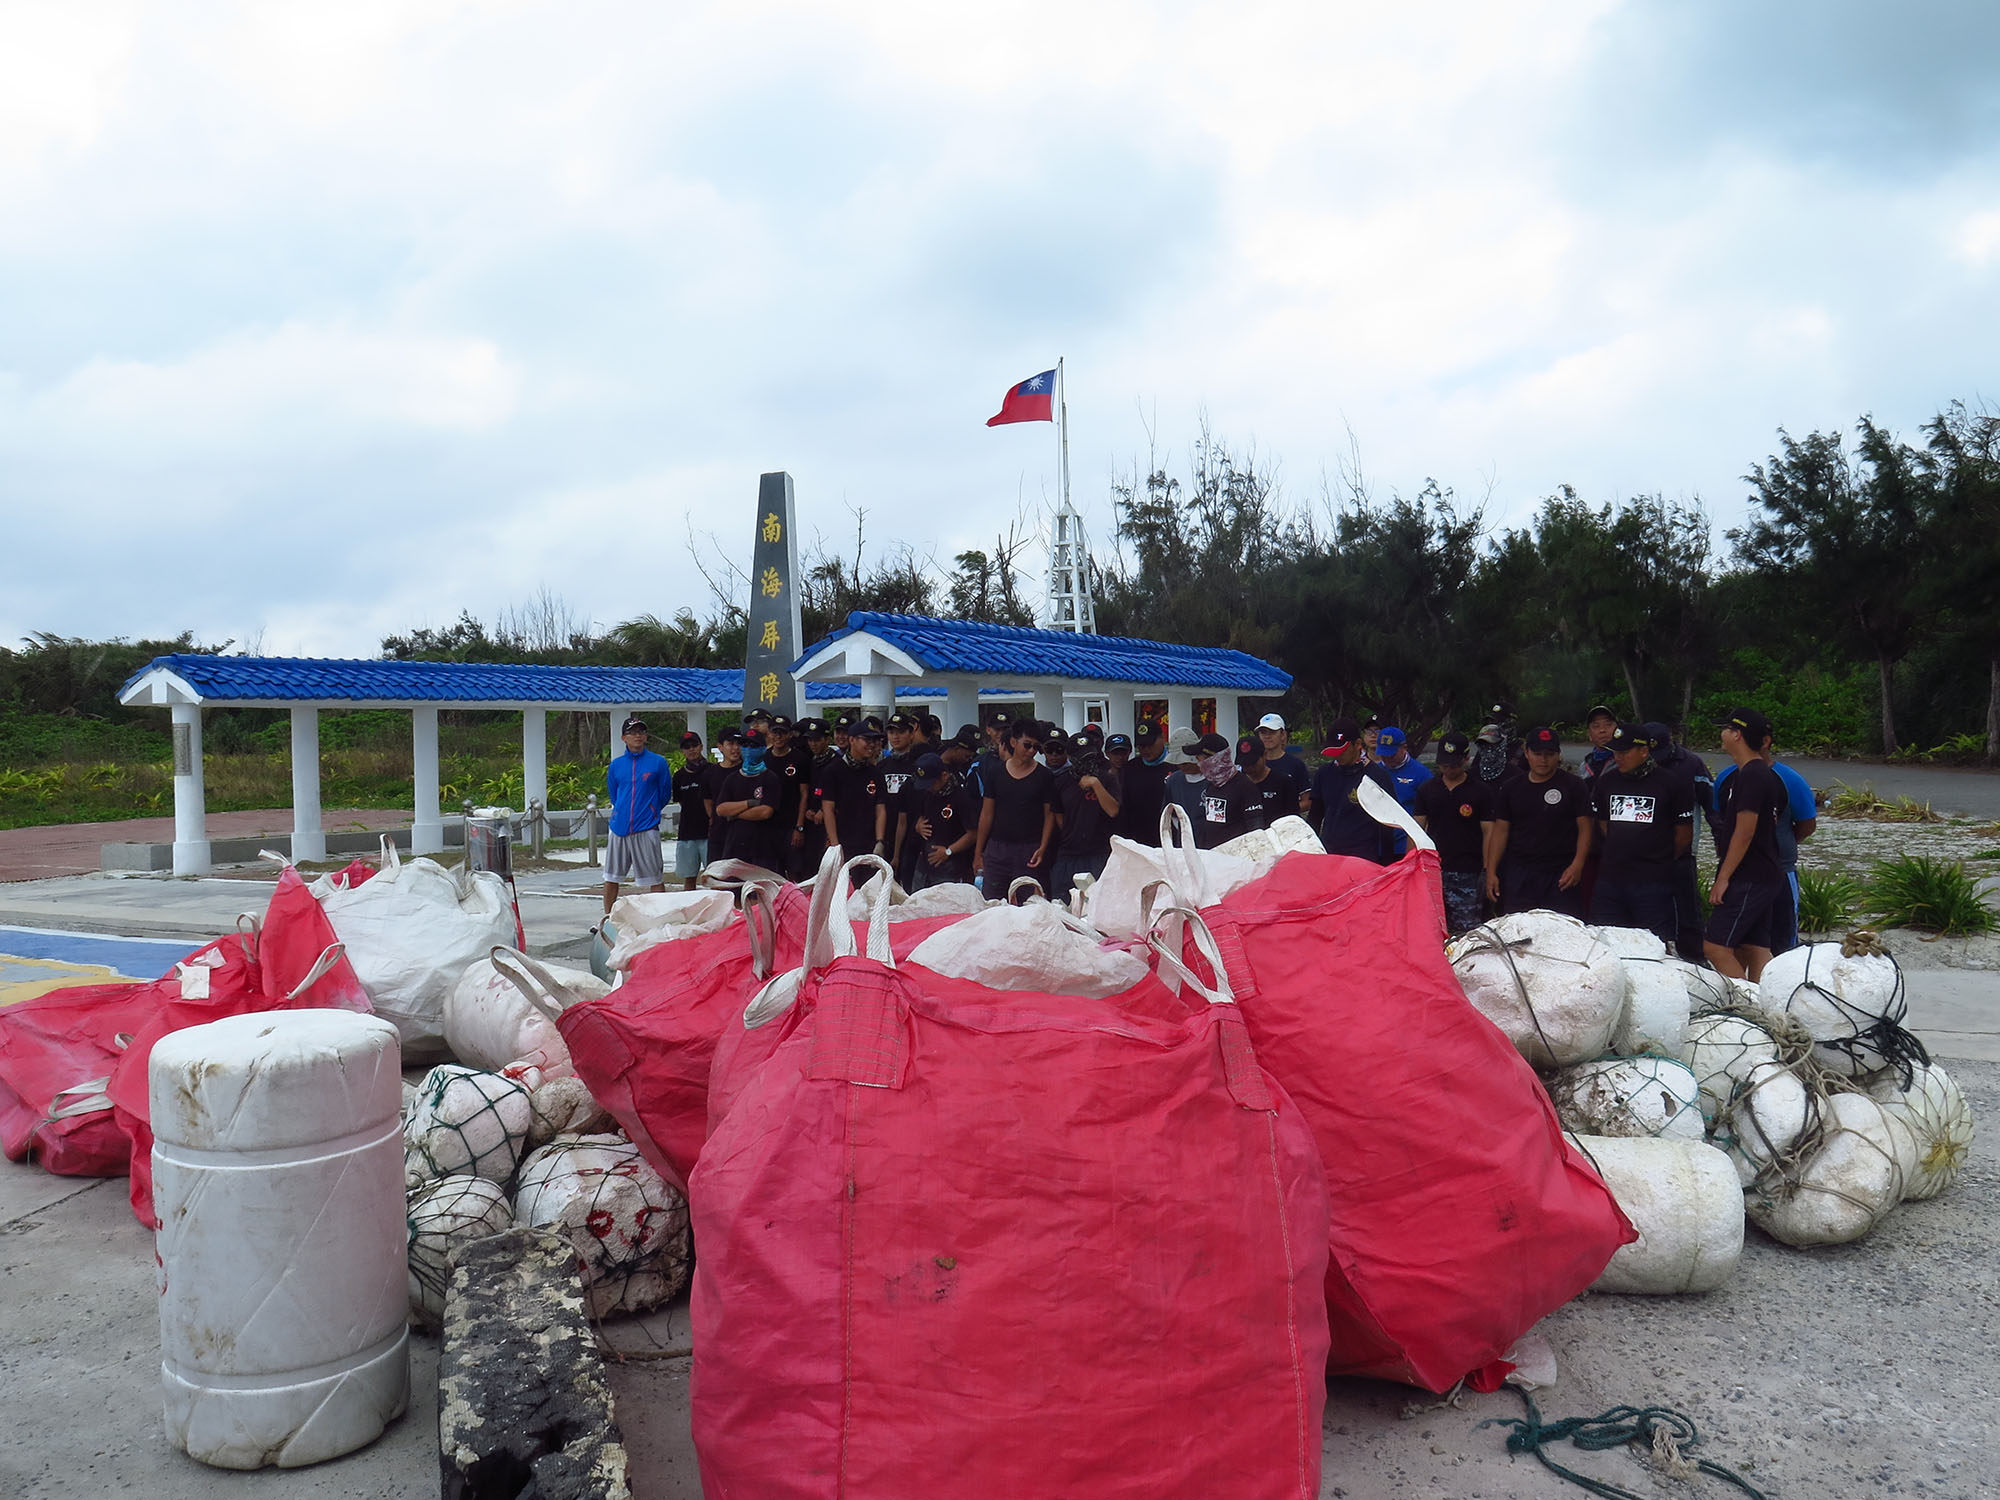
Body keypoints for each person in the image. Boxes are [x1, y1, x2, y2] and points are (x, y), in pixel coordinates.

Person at [1587, 724, 1693, 947]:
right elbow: (1603, 825)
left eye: (1624, 752)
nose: (1619, 758)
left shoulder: (1671, 783)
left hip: (1652, 883)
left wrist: (1657, 856)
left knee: (1655, 946)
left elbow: (1683, 835)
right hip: (1611, 880)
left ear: (1644, 751)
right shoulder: (1606, 782)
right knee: (1606, 943)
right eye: (1615, 752)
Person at [1705, 708, 1791, 980]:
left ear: (1737, 735)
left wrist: (1723, 878)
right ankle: (1763, 1005)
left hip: (1750, 875)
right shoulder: (1757, 773)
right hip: (1765, 873)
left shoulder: (1752, 775)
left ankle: (1748, 1005)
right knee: (1755, 946)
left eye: (1726, 729)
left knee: (1715, 946)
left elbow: (1745, 832)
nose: (1722, 734)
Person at [1712, 732, 1817, 955]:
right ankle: (1746, 988)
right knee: (1742, 943)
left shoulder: (1790, 779)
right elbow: (1722, 821)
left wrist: (1777, 845)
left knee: (1781, 942)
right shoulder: (1725, 778)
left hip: (1779, 869)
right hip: (1738, 873)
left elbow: (1807, 824)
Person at [1486, 725, 1592, 917]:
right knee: (1520, 932)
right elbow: (1501, 831)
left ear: (1558, 755)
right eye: (1537, 753)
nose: (1543, 760)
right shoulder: (1511, 788)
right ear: (1527, 753)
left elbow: (1585, 828)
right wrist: (1491, 871)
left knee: (1562, 932)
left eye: (1549, 754)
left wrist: (1577, 865)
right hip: (1520, 873)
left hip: (1560, 873)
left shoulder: (1574, 785)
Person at [1644, 720, 1713, 961]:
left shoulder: (1692, 764)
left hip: (1682, 853)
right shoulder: (1633, 765)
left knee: (1688, 911)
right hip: (1644, 856)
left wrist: (1721, 846)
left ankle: (1695, 960)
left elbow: (1712, 808)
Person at [1413, 731, 1494, 934]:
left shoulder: (1480, 791)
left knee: (1466, 932)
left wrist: (1487, 869)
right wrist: (1412, 864)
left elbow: (1489, 832)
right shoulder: (1427, 790)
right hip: (1434, 870)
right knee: (1431, 928)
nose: (1449, 769)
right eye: (1444, 765)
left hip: (1468, 872)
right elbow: (1416, 829)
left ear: (1466, 759)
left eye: (1454, 765)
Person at [975, 718, 1057, 897]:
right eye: (1027, 745)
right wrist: (979, 852)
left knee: (1029, 905)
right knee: (993, 904)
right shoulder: (995, 772)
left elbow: (1049, 815)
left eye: (1036, 747)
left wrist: (1043, 847)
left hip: (1029, 849)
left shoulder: (1044, 776)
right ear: (1013, 742)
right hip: (997, 849)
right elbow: (987, 814)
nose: (1031, 751)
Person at [602, 715, 670, 914]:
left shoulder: (658, 762)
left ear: (646, 736)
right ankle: (608, 917)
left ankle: (659, 916)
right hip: (619, 828)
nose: (637, 736)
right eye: (632, 732)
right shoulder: (616, 765)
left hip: (646, 828)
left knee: (655, 879)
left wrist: (650, 811)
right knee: (611, 877)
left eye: (641, 732)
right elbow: (614, 794)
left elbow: (664, 793)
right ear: (624, 738)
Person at [1309, 716, 1396, 861]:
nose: (1338, 756)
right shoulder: (1324, 773)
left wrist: (1386, 863)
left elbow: (1388, 825)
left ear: (1357, 744)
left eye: (1342, 751)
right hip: (1330, 855)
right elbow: (1315, 817)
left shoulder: (1377, 776)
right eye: (1333, 752)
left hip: (1364, 857)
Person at [1049, 731, 1123, 897]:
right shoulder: (1062, 781)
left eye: (1090, 757)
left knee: (1096, 905)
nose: (1087, 762)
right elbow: (1059, 817)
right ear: (1071, 757)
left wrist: (1095, 784)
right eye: (1082, 758)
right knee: (1062, 903)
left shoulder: (1107, 779)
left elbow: (1113, 810)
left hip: (1098, 852)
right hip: (1068, 854)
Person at [713, 728, 785, 872]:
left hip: (764, 848)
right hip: (735, 846)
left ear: (763, 749)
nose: (748, 750)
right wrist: (749, 803)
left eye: (754, 746)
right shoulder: (732, 779)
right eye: (745, 746)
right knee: (734, 891)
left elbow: (765, 812)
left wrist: (734, 814)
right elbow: (721, 809)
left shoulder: (770, 778)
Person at [1180, 730, 1264, 849]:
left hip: (1236, 858)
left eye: (1200, 758)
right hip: (1211, 858)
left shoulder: (1245, 787)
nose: (1198, 763)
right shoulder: (1211, 785)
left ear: (1214, 759)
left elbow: (1256, 831)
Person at [909, 752, 979, 888]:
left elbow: (973, 833)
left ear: (944, 775)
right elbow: (919, 816)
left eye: (932, 783)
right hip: (924, 865)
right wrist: (918, 825)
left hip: (951, 867)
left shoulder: (961, 797)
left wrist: (948, 851)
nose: (929, 787)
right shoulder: (927, 793)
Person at [668, 729, 714, 891]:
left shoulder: (713, 770)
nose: (691, 750)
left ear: (701, 747)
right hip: (687, 833)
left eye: (694, 745)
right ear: (682, 751)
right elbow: (680, 801)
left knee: (714, 877)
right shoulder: (679, 776)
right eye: (687, 747)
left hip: (710, 833)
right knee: (689, 877)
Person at [789, 719, 835, 879]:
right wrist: (808, 810)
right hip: (811, 824)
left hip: (829, 824)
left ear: (827, 740)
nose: (813, 744)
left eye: (817, 740)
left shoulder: (836, 763)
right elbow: (807, 791)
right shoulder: (810, 762)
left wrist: (824, 810)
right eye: (810, 740)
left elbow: (841, 794)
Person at [878, 713, 921, 882]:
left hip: (912, 834)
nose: (895, 736)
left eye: (901, 732)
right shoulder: (882, 766)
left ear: (911, 734)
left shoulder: (918, 767)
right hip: (886, 833)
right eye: (891, 732)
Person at [1115, 721, 1173, 844]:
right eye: (1141, 746)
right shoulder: (1129, 769)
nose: (1146, 750)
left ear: (1162, 738)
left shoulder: (1175, 768)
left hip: (1168, 840)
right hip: (1137, 841)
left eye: (1150, 744)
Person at [1236, 734, 1295, 827]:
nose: (1250, 768)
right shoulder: (1236, 784)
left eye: (1253, 763)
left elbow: (1292, 819)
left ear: (1264, 755)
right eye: (1245, 764)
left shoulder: (1283, 782)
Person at [1256, 713, 1313, 808]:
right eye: (1263, 732)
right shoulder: (1253, 764)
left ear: (1283, 734)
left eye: (1272, 732)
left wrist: (1286, 812)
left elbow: (1307, 801)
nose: (1267, 736)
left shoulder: (1296, 764)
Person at [705, 727, 743, 867]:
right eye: (731, 744)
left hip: (742, 832)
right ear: (720, 747)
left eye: (739, 744)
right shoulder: (710, 773)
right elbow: (708, 801)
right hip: (719, 832)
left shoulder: (747, 770)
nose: (735, 748)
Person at [1580, 706, 1618, 780]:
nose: (1602, 730)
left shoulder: (1626, 761)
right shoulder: (1584, 766)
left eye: (1608, 724)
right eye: (1596, 726)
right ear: (1589, 734)